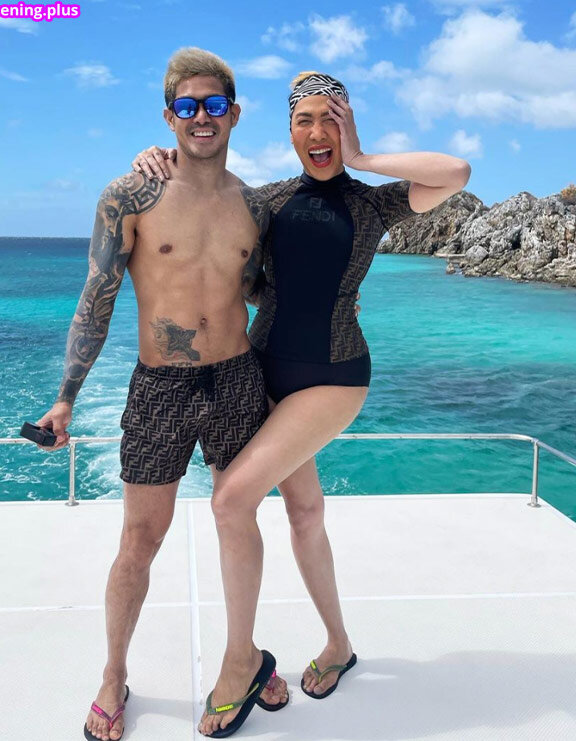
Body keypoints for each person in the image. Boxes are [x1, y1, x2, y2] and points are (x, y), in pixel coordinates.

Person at [133, 70, 471, 737]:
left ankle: (241, 660)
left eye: (330, 118)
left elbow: (456, 172)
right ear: (288, 131)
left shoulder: (373, 204)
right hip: (261, 371)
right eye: (304, 120)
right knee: (306, 512)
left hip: (333, 377)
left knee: (230, 501)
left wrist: (364, 156)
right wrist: (158, 158)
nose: (318, 132)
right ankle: (339, 644)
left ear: (346, 124)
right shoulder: (266, 201)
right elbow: (220, 244)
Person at [34, 47, 289, 741]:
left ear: (234, 113)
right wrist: (66, 396)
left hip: (236, 378)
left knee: (238, 522)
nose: (202, 117)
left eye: (214, 105)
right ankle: (113, 674)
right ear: (169, 115)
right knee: (140, 539)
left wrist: (331, 303)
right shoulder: (130, 195)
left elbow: (257, 290)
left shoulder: (255, 206)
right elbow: (97, 296)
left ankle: (243, 657)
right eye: (188, 106)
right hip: (161, 388)